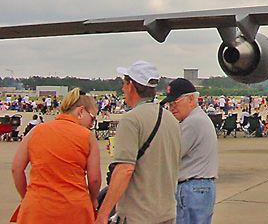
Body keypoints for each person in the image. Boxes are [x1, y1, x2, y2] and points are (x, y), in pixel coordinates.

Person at [95, 60, 181, 224]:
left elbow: (125, 169)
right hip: (166, 213)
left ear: (131, 86)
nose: (122, 88)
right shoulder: (170, 119)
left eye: (124, 83)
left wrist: (103, 213)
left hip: (139, 215)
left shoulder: (131, 119)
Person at [11, 88, 102, 224]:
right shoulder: (87, 136)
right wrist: (93, 199)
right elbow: (94, 179)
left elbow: (16, 169)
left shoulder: (37, 130)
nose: (91, 123)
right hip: (74, 207)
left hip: (37, 206)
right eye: (92, 118)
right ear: (80, 111)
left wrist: (27, 196)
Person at [163, 78, 218, 224]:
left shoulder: (192, 122)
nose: (171, 108)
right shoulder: (198, 119)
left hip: (192, 188)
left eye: (175, 103)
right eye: (170, 104)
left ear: (191, 99)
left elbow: (171, 154)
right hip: (199, 188)